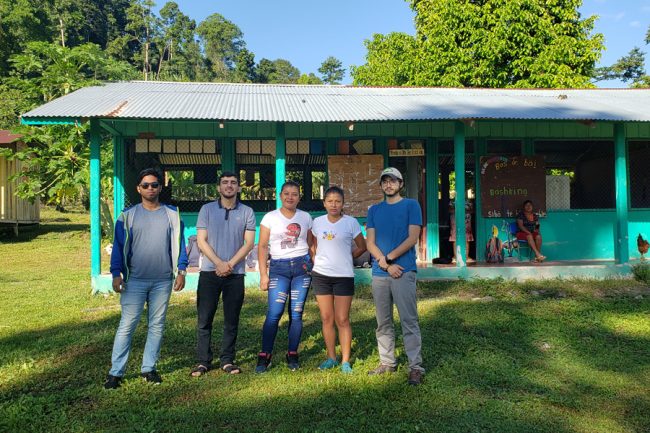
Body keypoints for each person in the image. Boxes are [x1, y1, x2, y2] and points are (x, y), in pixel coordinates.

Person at [104, 168, 188, 389]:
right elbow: (118, 248)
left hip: (163, 281)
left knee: (156, 325)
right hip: (135, 281)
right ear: (138, 188)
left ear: (160, 188)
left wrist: (181, 271)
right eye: (145, 185)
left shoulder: (173, 215)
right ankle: (115, 373)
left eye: (154, 185)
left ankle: (149, 369)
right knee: (127, 325)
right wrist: (116, 274)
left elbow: (181, 246)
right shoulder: (127, 216)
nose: (150, 188)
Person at [190, 171, 256, 377]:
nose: (229, 186)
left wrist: (230, 264)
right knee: (204, 319)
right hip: (210, 272)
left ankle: (227, 360)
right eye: (225, 182)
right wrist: (219, 263)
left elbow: (249, 243)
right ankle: (203, 361)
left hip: (235, 274)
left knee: (231, 319)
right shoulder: (206, 210)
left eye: (233, 183)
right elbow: (201, 240)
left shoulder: (247, 211)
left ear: (238, 188)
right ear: (218, 187)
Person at [365, 167, 425, 386]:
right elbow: (370, 242)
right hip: (381, 273)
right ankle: (387, 362)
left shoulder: (411, 205)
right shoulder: (374, 210)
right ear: (381, 185)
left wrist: (389, 259)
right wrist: (385, 263)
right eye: (385, 181)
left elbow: (413, 238)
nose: (388, 185)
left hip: (404, 270)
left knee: (409, 320)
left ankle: (415, 366)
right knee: (383, 321)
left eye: (393, 181)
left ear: (401, 184)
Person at [255, 180, 314, 373]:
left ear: (299, 197)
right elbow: (263, 246)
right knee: (274, 313)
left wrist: (314, 265)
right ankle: (265, 354)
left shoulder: (306, 217)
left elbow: (311, 243)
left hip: (301, 268)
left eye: (294, 194)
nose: (290, 197)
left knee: (296, 313)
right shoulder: (269, 218)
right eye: (286, 193)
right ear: (280, 196)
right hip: (278, 269)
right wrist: (264, 274)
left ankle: (292, 353)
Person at [310, 186, 366, 373]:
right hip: (321, 275)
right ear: (324, 203)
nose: (334, 204)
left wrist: (347, 256)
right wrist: (315, 258)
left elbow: (362, 246)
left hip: (343, 276)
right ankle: (331, 357)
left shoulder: (351, 223)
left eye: (338, 201)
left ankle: (345, 361)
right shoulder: (316, 222)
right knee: (326, 318)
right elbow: (312, 244)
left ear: (343, 203)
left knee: (342, 319)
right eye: (330, 201)